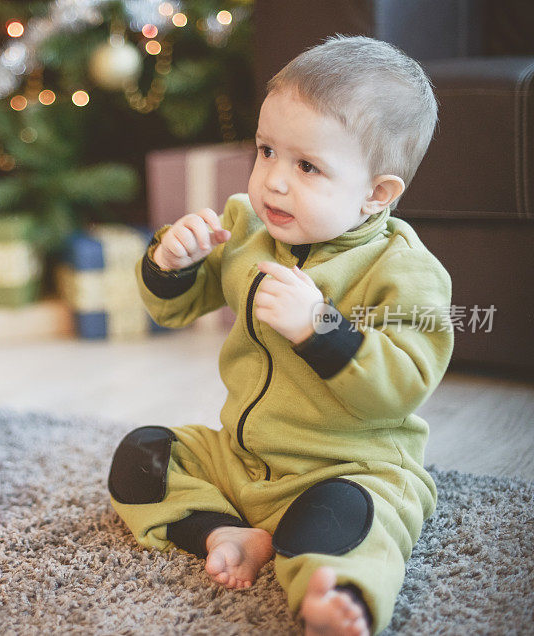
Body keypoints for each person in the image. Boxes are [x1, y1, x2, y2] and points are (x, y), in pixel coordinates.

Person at [108, 35, 454, 635]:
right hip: (242, 460)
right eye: (266, 151)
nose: (272, 182)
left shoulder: (405, 271)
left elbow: (403, 384)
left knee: (343, 522)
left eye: (308, 166)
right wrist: (173, 264)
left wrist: (320, 328)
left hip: (345, 468)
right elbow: (174, 310)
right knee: (141, 453)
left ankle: (336, 593)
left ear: (377, 194)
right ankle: (226, 532)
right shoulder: (247, 226)